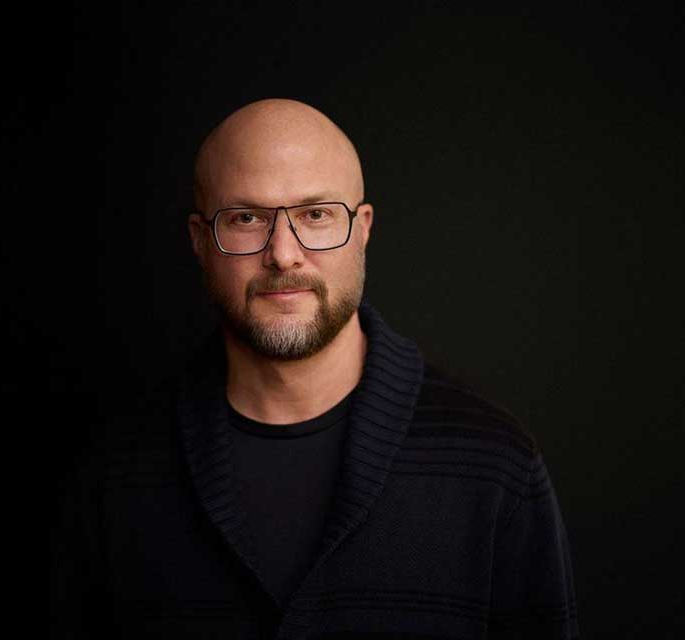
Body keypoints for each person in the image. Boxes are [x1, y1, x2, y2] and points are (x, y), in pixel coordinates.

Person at [53, 98, 578, 639]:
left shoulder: (494, 465)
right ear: (198, 241)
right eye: (247, 218)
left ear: (363, 229)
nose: (284, 254)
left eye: (316, 215)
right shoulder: (116, 477)